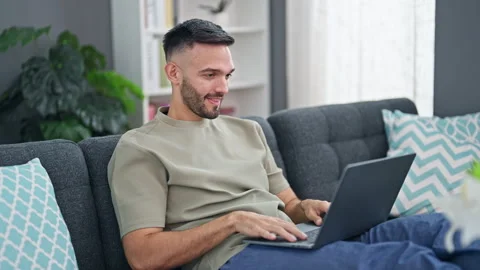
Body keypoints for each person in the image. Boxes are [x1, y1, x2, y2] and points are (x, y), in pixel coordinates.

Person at [107, 18, 479, 270]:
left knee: (455, 227)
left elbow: (290, 205)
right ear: (173, 72)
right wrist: (233, 221)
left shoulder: (247, 131)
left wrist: (308, 208)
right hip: (239, 257)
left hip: (300, 238)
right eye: (209, 75)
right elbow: (142, 255)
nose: (222, 87)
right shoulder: (141, 149)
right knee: (407, 261)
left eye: (227, 75)